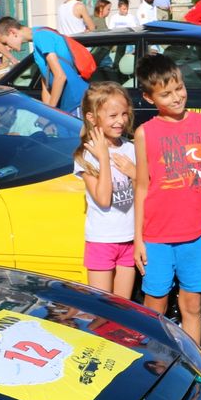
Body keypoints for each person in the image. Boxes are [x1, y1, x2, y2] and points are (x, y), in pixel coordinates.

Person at [132, 54, 201, 344]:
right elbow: (141, 186)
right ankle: (154, 363)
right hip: (155, 237)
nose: (177, 97)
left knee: (192, 307)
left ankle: (194, 365)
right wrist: (138, 240)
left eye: (179, 88)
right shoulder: (144, 133)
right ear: (148, 97)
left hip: (195, 235)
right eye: (166, 94)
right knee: (155, 309)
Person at [74, 82, 138, 300]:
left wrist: (134, 172)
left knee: (124, 307)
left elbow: (146, 187)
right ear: (92, 118)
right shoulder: (87, 155)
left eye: (124, 114)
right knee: (102, 309)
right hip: (102, 241)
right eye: (112, 116)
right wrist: (103, 158)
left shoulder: (131, 148)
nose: (120, 121)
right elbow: (102, 199)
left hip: (130, 240)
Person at [0, 17, 90, 116]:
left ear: (12, 32)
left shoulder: (41, 36)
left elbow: (60, 76)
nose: (7, 48)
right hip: (68, 104)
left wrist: (51, 112)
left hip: (76, 102)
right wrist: (45, 112)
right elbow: (46, 82)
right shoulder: (37, 40)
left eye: (5, 43)